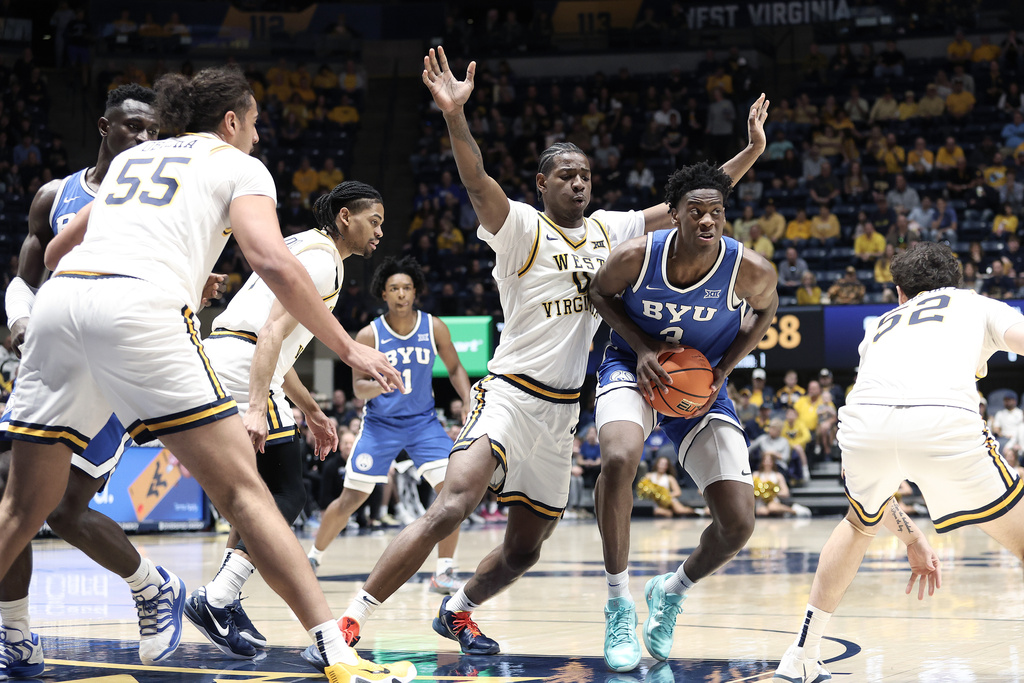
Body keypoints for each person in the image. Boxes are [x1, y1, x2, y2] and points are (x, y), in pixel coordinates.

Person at [304, 47, 768, 667]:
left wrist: (751, 153)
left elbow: (696, 206)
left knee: (525, 550)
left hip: (561, 415)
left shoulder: (613, 229)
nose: (578, 182)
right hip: (510, 393)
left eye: (585, 175)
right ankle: (350, 623)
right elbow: (476, 180)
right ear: (543, 183)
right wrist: (453, 116)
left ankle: (459, 609)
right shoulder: (520, 226)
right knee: (452, 504)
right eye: (566, 175)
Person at [0, 66, 415, 682]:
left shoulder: (131, 162)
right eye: (253, 123)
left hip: (60, 309)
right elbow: (271, 260)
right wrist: (350, 351)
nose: (257, 136)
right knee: (246, 494)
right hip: (141, 313)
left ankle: (154, 595)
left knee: (19, 509)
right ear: (230, 121)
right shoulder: (240, 167)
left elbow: (58, 253)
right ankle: (338, 653)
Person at [771, 242, 1024, 681]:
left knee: (856, 524)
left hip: (863, 424)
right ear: (956, 281)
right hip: (943, 420)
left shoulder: (882, 324)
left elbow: (890, 440)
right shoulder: (976, 303)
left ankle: (801, 657)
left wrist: (910, 538)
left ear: (899, 292)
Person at [0, 84, 184, 672]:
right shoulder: (56, 195)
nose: (146, 139)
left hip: (112, 367)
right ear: (105, 128)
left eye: (155, 132)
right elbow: (24, 276)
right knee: (20, 505)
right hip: (51, 357)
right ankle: (17, 633)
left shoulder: (158, 202)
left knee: (62, 510)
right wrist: (22, 319)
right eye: (134, 128)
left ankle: (150, 586)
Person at [180, 182, 387, 659]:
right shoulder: (322, 261)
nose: (379, 231)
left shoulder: (302, 246)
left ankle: (220, 598)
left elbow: (277, 337)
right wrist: (257, 405)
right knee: (289, 492)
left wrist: (312, 410)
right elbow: (270, 332)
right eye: (372, 220)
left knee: (259, 494)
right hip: (245, 365)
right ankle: (217, 598)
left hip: (225, 355)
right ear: (343, 217)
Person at [589, 160, 778, 672]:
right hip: (635, 368)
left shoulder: (749, 269)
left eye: (716, 211)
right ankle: (618, 604)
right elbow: (598, 293)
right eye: (695, 211)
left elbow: (767, 308)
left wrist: (724, 367)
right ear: (673, 215)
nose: (707, 220)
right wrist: (642, 345)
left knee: (738, 522)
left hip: (700, 388)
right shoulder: (635, 256)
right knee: (621, 458)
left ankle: (669, 593)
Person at [307, 255, 472, 600]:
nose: (401, 294)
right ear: (384, 293)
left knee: (452, 492)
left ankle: (443, 573)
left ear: (415, 292)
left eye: (407, 288)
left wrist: (469, 400)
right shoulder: (369, 334)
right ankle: (312, 560)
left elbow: (455, 369)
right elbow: (358, 388)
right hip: (380, 425)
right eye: (394, 288)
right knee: (352, 497)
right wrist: (382, 383)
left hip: (424, 423)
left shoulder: (434, 327)